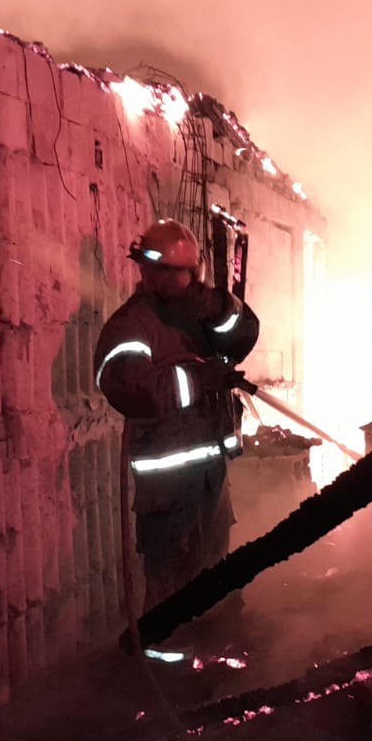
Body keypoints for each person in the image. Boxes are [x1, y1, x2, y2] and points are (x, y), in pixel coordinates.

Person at [92, 218, 260, 619]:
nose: (182, 282)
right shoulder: (132, 324)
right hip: (167, 489)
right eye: (172, 273)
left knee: (216, 581)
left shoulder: (199, 314)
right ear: (148, 271)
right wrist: (200, 379)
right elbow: (129, 387)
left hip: (210, 480)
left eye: (186, 273)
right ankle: (168, 653)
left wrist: (220, 307)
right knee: (172, 593)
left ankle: (219, 645)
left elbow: (244, 335)